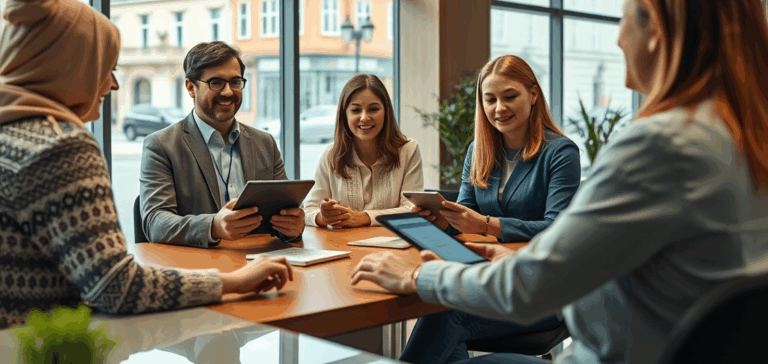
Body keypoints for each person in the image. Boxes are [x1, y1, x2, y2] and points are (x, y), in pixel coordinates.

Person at [351, 0, 768, 364]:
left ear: (656, 31)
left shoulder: (659, 146)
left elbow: (530, 290)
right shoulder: (745, 139)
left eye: (623, 18)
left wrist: (418, 275)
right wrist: (534, 262)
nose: (619, 38)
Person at [0, 0, 294, 329]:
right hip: (41, 343)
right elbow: (116, 287)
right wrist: (234, 282)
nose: (113, 84)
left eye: (235, 82)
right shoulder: (60, 146)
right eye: (104, 67)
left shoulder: (11, 135)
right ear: (73, 67)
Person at [399, 55, 581, 363]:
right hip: (487, 275)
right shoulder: (478, 150)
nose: (499, 108)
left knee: (447, 314)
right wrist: (441, 221)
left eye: (510, 96)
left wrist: (487, 224)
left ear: (533, 94)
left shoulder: (560, 152)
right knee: (445, 316)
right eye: (490, 99)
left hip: (540, 290)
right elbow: (465, 213)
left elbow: (556, 229)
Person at [140, 41, 305, 247]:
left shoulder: (265, 143)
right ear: (191, 87)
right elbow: (155, 222)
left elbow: (286, 214)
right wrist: (213, 227)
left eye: (235, 82)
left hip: (261, 258)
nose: (228, 92)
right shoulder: (161, 145)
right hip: (201, 263)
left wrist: (293, 228)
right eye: (216, 82)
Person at [303, 74, 424, 228]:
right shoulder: (330, 154)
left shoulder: (408, 150)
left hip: (393, 242)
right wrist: (323, 217)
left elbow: (412, 209)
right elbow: (308, 211)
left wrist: (365, 217)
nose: (364, 117)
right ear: (345, 115)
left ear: (386, 112)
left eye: (373, 109)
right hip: (342, 242)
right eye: (355, 110)